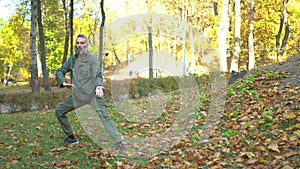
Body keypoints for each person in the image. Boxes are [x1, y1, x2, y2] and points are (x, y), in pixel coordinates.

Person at [55, 34, 126, 151]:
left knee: (104, 116)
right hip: (78, 96)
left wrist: (98, 86)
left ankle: (119, 142)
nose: (79, 46)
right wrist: (63, 82)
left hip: (93, 95)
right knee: (59, 111)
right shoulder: (72, 60)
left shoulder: (92, 59)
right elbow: (60, 70)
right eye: (77, 43)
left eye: (82, 43)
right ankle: (71, 138)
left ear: (86, 45)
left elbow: (97, 74)